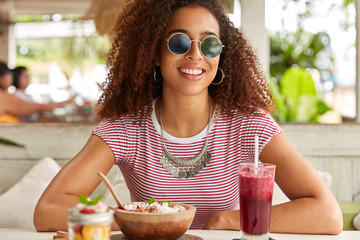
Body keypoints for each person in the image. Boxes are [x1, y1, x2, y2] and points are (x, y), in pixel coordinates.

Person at [34, 0, 343, 234]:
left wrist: (228, 220)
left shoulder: (249, 125)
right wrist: (133, 219)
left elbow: (328, 214)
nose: (196, 55)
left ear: (222, 54)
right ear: (155, 52)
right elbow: (48, 210)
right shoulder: (124, 129)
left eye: (209, 44)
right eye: (179, 42)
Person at [0, 62, 70, 123]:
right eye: (8, 74)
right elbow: (33, 107)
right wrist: (63, 103)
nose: (10, 77)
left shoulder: (7, 95)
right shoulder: (4, 97)